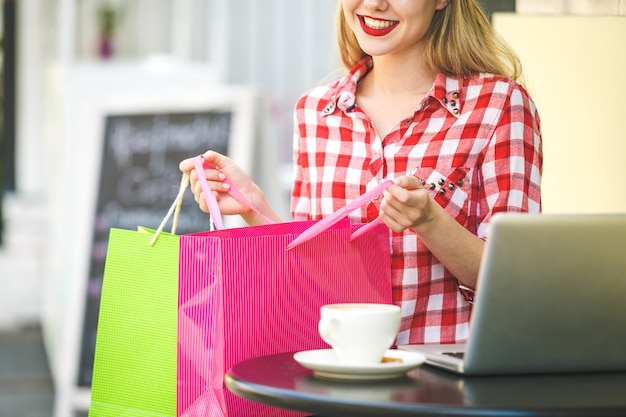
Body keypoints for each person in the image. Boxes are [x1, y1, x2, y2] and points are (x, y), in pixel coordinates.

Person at [180, 0, 542, 345]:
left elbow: (516, 285)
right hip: (341, 381)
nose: (374, 4)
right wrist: (253, 207)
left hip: (445, 389)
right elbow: (309, 282)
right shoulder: (315, 111)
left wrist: (431, 221)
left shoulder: (500, 105)